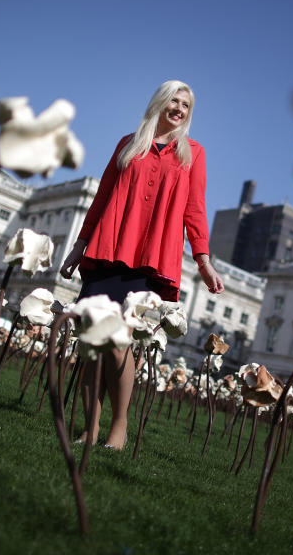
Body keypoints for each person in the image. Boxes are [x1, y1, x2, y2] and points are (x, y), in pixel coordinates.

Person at [59, 80, 224, 449]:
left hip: (149, 261)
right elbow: (102, 197)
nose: (179, 108)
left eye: (186, 105)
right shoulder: (128, 144)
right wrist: (79, 246)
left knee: (119, 344)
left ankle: (119, 428)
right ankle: (91, 427)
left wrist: (203, 260)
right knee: (91, 343)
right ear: (160, 103)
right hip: (106, 251)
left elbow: (195, 209)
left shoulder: (193, 154)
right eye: (174, 101)